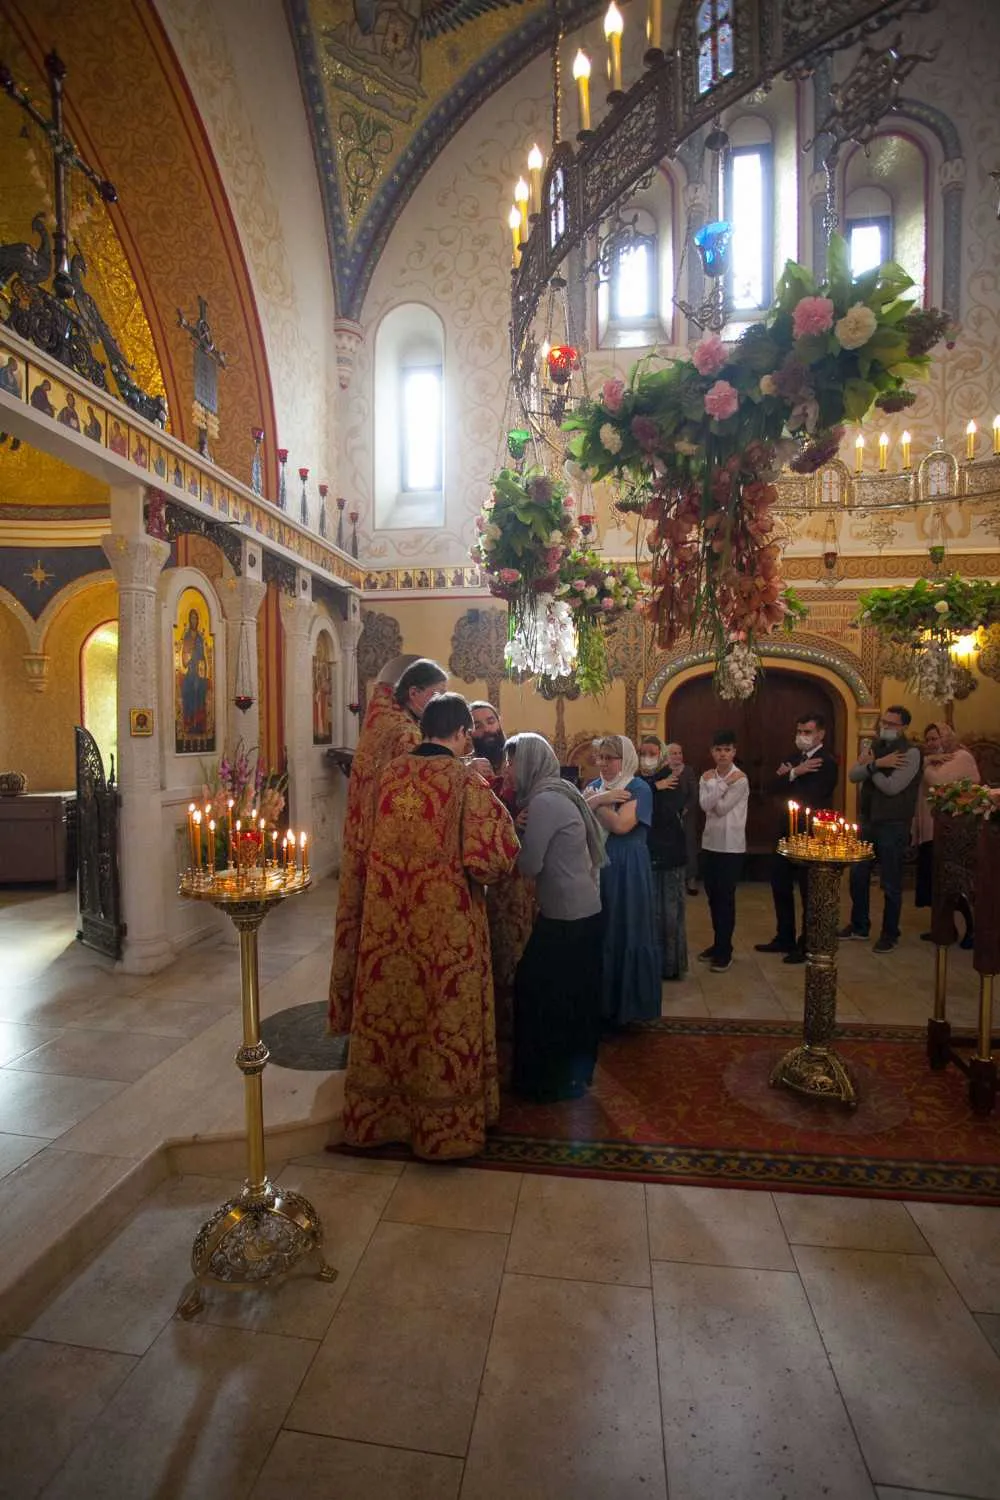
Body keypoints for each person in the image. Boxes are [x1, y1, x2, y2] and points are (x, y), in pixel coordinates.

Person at [342, 693, 519, 1159]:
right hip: (447, 932)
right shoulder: (466, 784)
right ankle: (445, 1129)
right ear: (461, 733)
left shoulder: (387, 776)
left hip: (386, 929)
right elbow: (493, 858)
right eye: (468, 737)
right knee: (442, 1020)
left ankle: (382, 1118)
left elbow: (360, 842)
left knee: (393, 1016)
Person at [328, 655, 447, 1032]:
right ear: (414, 694)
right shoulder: (406, 734)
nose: (441, 702)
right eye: (437, 694)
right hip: (392, 850)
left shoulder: (378, 722)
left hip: (363, 840)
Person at [505, 733, 605, 1101]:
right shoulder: (560, 790)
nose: (508, 770)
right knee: (572, 995)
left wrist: (512, 831)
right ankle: (573, 1074)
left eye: (512, 761)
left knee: (540, 994)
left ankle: (548, 1081)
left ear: (528, 762)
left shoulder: (545, 800)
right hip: (583, 909)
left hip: (567, 915)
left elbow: (530, 865)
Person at [583, 735, 661, 1026]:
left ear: (625, 759)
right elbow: (578, 816)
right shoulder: (595, 788)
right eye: (600, 758)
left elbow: (621, 825)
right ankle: (602, 1007)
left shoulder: (639, 787)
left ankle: (629, 1009)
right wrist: (601, 798)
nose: (603, 764)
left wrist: (590, 802)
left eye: (610, 758)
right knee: (601, 932)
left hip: (628, 867)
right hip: (596, 866)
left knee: (626, 929)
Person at [756, 710, 839, 965]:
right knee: (780, 885)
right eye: (799, 732)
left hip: (811, 834)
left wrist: (792, 777)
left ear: (821, 734)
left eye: (808, 732)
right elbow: (770, 786)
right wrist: (794, 773)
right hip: (785, 832)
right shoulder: (794, 759)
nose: (802, 737)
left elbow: (813, 795)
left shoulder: (827, 762)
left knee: (808, 890)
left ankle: (809, 942)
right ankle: (785, 936)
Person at [844, 705, 924, 952]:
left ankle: (890, 933)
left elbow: (892, 787)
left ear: (903, 727)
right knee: (858, 874)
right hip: (868, 819)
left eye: (892, 723)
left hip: (893, 823)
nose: (885, 726)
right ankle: (859, 925)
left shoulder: (911, 753)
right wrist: (877, 763)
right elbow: (854, 775)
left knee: (890, 881)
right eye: (884, 722)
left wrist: (873, 767)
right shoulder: (874, 746)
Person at [915, 723, 979, 945]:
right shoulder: (931, 761)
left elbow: (938, 782)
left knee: (957, 883)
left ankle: (973, 929)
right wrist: (927, 761)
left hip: (957, 830)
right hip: (932, 828)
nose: (932, 743)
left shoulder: (961, 756)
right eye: (928, 739)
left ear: (947, 737)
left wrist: (925, 765)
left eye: (936, 738)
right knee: (938, 883)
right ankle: (945, 929)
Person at [698, 728, 750, 974]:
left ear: (734, 752)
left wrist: (718, 784)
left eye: (727, 750)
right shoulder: (706, 776)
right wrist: (720, 784)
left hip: (731, 846)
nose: (722, 754)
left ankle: (724, 951)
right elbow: (704, 805)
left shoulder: (741, 779)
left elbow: (720, 809)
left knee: (725, 900)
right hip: (710, 844)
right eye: (718, 750)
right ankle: (718, 943)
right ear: (712, 752)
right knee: (712, 898)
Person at [638, 737, 689, 981]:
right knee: (651, 911)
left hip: (669, 851)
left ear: (661, 755)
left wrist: (652, 791)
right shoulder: (641, 779)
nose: (647, 757)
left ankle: (669, 965)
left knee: (669, 911)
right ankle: (651, 963)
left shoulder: (672, 776)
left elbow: (665, 813)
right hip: (648, 851)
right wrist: (653, 788)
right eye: (643, 752)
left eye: (652, 752)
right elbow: (632, 800)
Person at [470, 700, 507, 774]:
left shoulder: (517, 756)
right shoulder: (467, 765)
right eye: (477, 726)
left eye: (490, 722)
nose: (486, 729)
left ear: (499, 723)